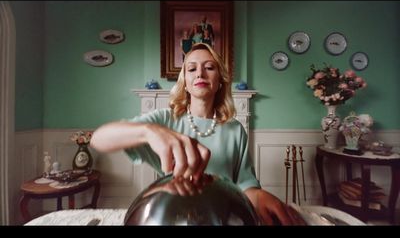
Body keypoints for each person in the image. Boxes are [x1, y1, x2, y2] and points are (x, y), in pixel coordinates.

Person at [90, 43, 305, 225]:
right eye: (191, 69)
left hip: (221, 217)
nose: (200, 73)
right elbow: (99, 138)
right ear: (185, 82)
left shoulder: (235, 130)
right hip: (176, 216)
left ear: (220, 79)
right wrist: (149, 131)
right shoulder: (166, 119)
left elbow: (245, 185)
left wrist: (259, 196)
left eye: (209, 67)